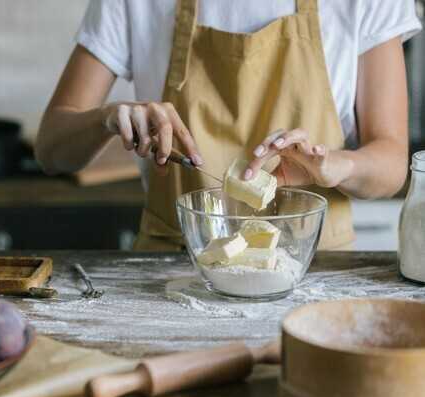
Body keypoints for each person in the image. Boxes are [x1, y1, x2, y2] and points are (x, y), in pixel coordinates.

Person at [35, 0, 421, 251]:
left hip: (316, 272)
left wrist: (337, 165)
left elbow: (389, 166)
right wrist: (109, 117)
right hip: (170, 274)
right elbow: (52, 149)